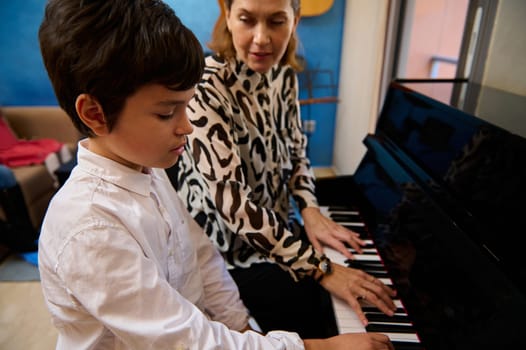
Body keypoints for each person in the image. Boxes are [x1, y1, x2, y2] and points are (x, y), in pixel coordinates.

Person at [36, 0, 394, 349]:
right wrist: (319, 346)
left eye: (276, 21)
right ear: (95, 114)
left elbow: (201, 260)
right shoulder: (91, 230)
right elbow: (188, 340)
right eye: (167, 113)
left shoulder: (149, 171)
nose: (188, 127)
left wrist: (244, 326)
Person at [170, 0, 397, 340]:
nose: (261, 38)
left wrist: (309, 209)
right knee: (317, 314)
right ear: (227, 14)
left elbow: (297, 153)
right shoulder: (206, 88)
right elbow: (236, 209)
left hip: (277, 232)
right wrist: (319, 268)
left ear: (295, 20)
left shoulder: (285, 75)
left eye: (276, 21)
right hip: (229, 254)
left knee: (355, 263)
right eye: (247, 20)